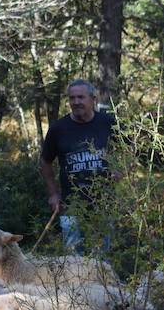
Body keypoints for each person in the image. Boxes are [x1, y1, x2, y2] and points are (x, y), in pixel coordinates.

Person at [39, 79, 117, 254]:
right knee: (73, 259)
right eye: (72, 98)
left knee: (102, 257)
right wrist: (52, 194)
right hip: (71, 205)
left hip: (104, 203)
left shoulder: (108, 123)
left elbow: (129, 148)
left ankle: (103, 282)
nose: (76, 102)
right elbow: (45, 161)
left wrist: (120, 169)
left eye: (80, 97)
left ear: (93, 99)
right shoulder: (58, 128)